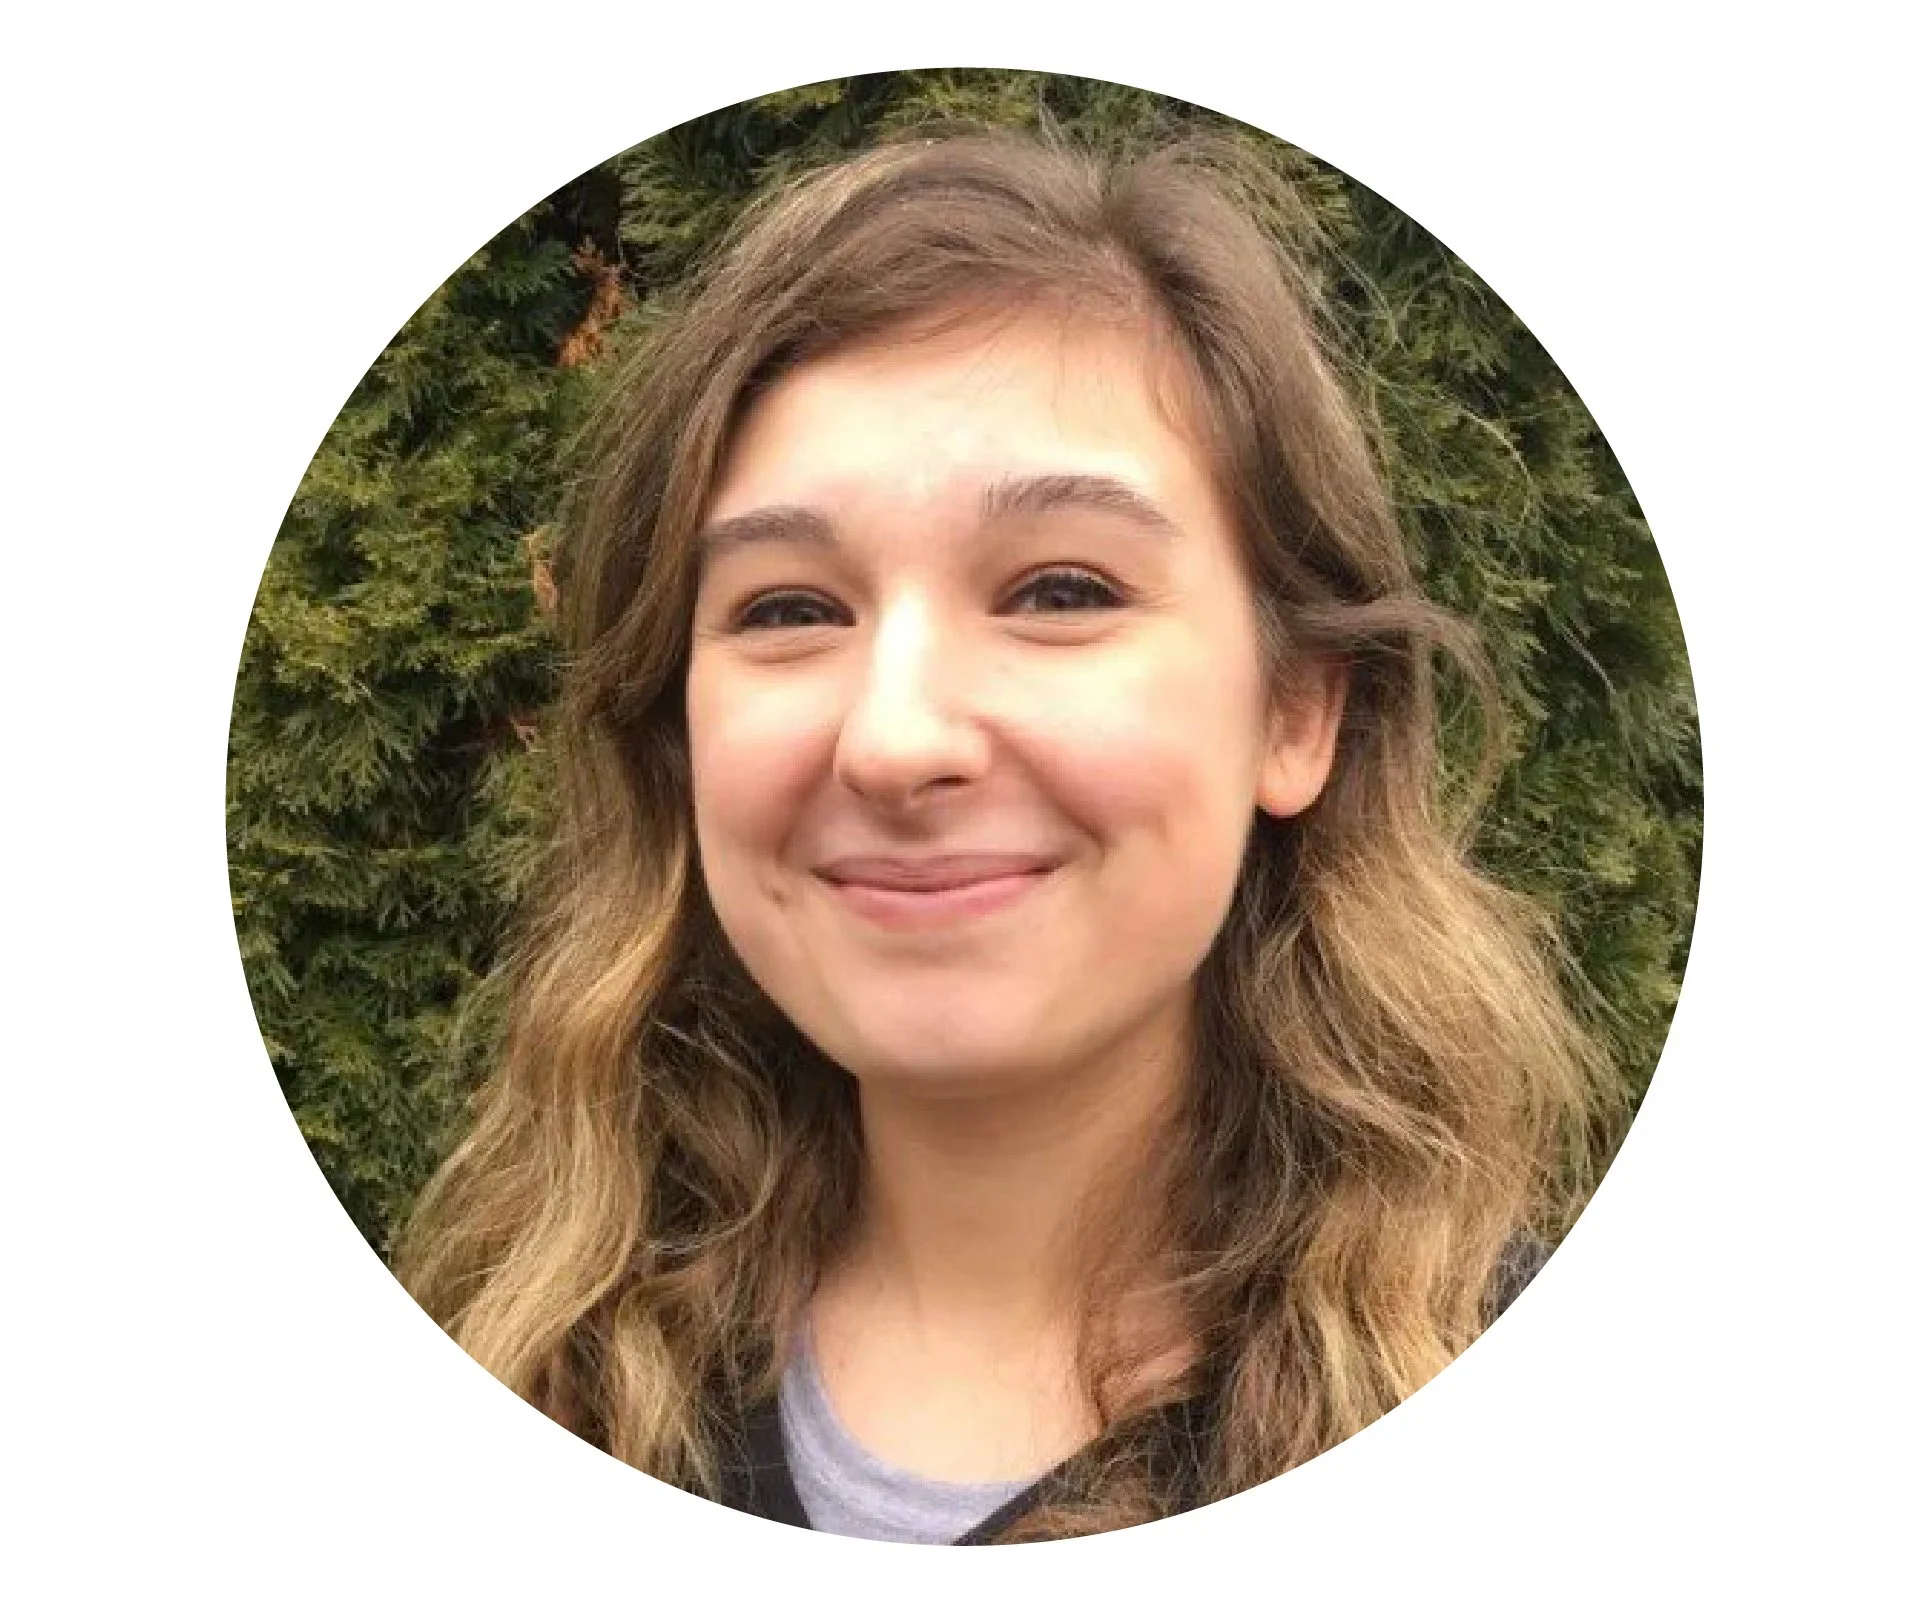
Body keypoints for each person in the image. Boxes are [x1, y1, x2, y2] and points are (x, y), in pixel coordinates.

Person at [395, 125, 1611, 1545]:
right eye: (788, 609)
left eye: (1060, 592)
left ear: (1294, 713)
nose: (895, 738)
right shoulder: (519, 1378)